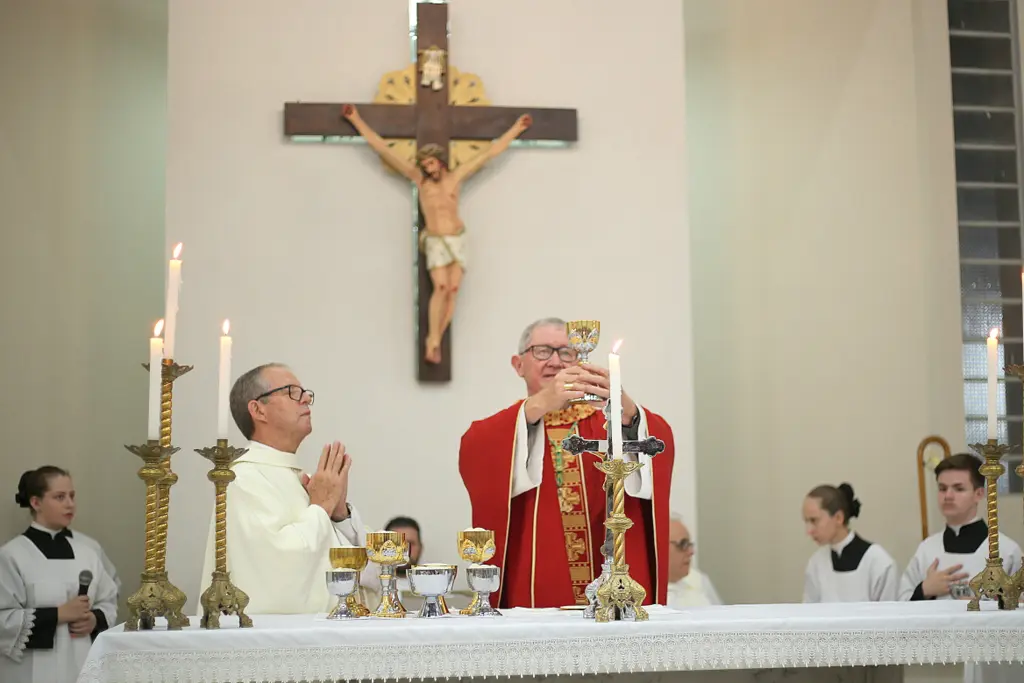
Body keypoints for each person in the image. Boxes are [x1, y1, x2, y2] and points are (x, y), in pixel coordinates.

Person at [459, 317, 675, 609]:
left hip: (611, 588)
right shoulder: (512, 429)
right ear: (518, 364)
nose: (556, 361)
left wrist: (630, 414)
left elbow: (658, 446)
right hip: (537, 591)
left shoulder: (612, 425)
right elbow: (475, 450)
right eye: (542, 351)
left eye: (566, 353)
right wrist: (539, 404)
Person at [342, 103, 532, 365]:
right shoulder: (419, 180)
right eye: (425, 164)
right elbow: (383, 149)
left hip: (457, 237)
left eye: (431, 163)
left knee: (452, 289)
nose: (428, 168)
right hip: (435, 239)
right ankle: (432, 337)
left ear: (441, 162)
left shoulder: (455, 178)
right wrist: (356, 120)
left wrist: (516, 129)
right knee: (440, 286)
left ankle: (436, 340)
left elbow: (489, 153)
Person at [198, 363, 372, 615]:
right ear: (258, 410)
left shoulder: (299, 479)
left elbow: (337, 560)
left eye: (306, 393)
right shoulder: (242, 479)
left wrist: (338, 515)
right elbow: (277, 570)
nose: (306, 400)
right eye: (292, 392)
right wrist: (321, 507)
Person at [0, 467, 118, 683]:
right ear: (36, 503)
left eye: (72, 496)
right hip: (29, 670)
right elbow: (3, 619)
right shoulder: (11, 555)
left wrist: (94, 619)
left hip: (81, 665)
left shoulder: (87, 552)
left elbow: (108, 599)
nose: (70, 504)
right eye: (59, 497)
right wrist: (58, 614)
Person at [899, 454, 1022, 602]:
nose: (948, 496)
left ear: (978, 494)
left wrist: (991, 603)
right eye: (942, 488)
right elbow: (900, 606)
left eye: (958, 489)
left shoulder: (1006, 551)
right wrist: (924, 590)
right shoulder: (926, 550)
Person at [801, 483, 898, 602]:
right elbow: (810, 614)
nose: (809, 531)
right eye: (806, 521)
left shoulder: (879, 563)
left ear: (838, 518)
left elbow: (888, 616)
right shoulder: (816, 564)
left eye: (814, 520)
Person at [666, 514, 721, 608]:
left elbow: (722, 619)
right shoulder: (639, 592)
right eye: (683, 544)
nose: (691, 552)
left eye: (689, 544)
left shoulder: (699, 580)